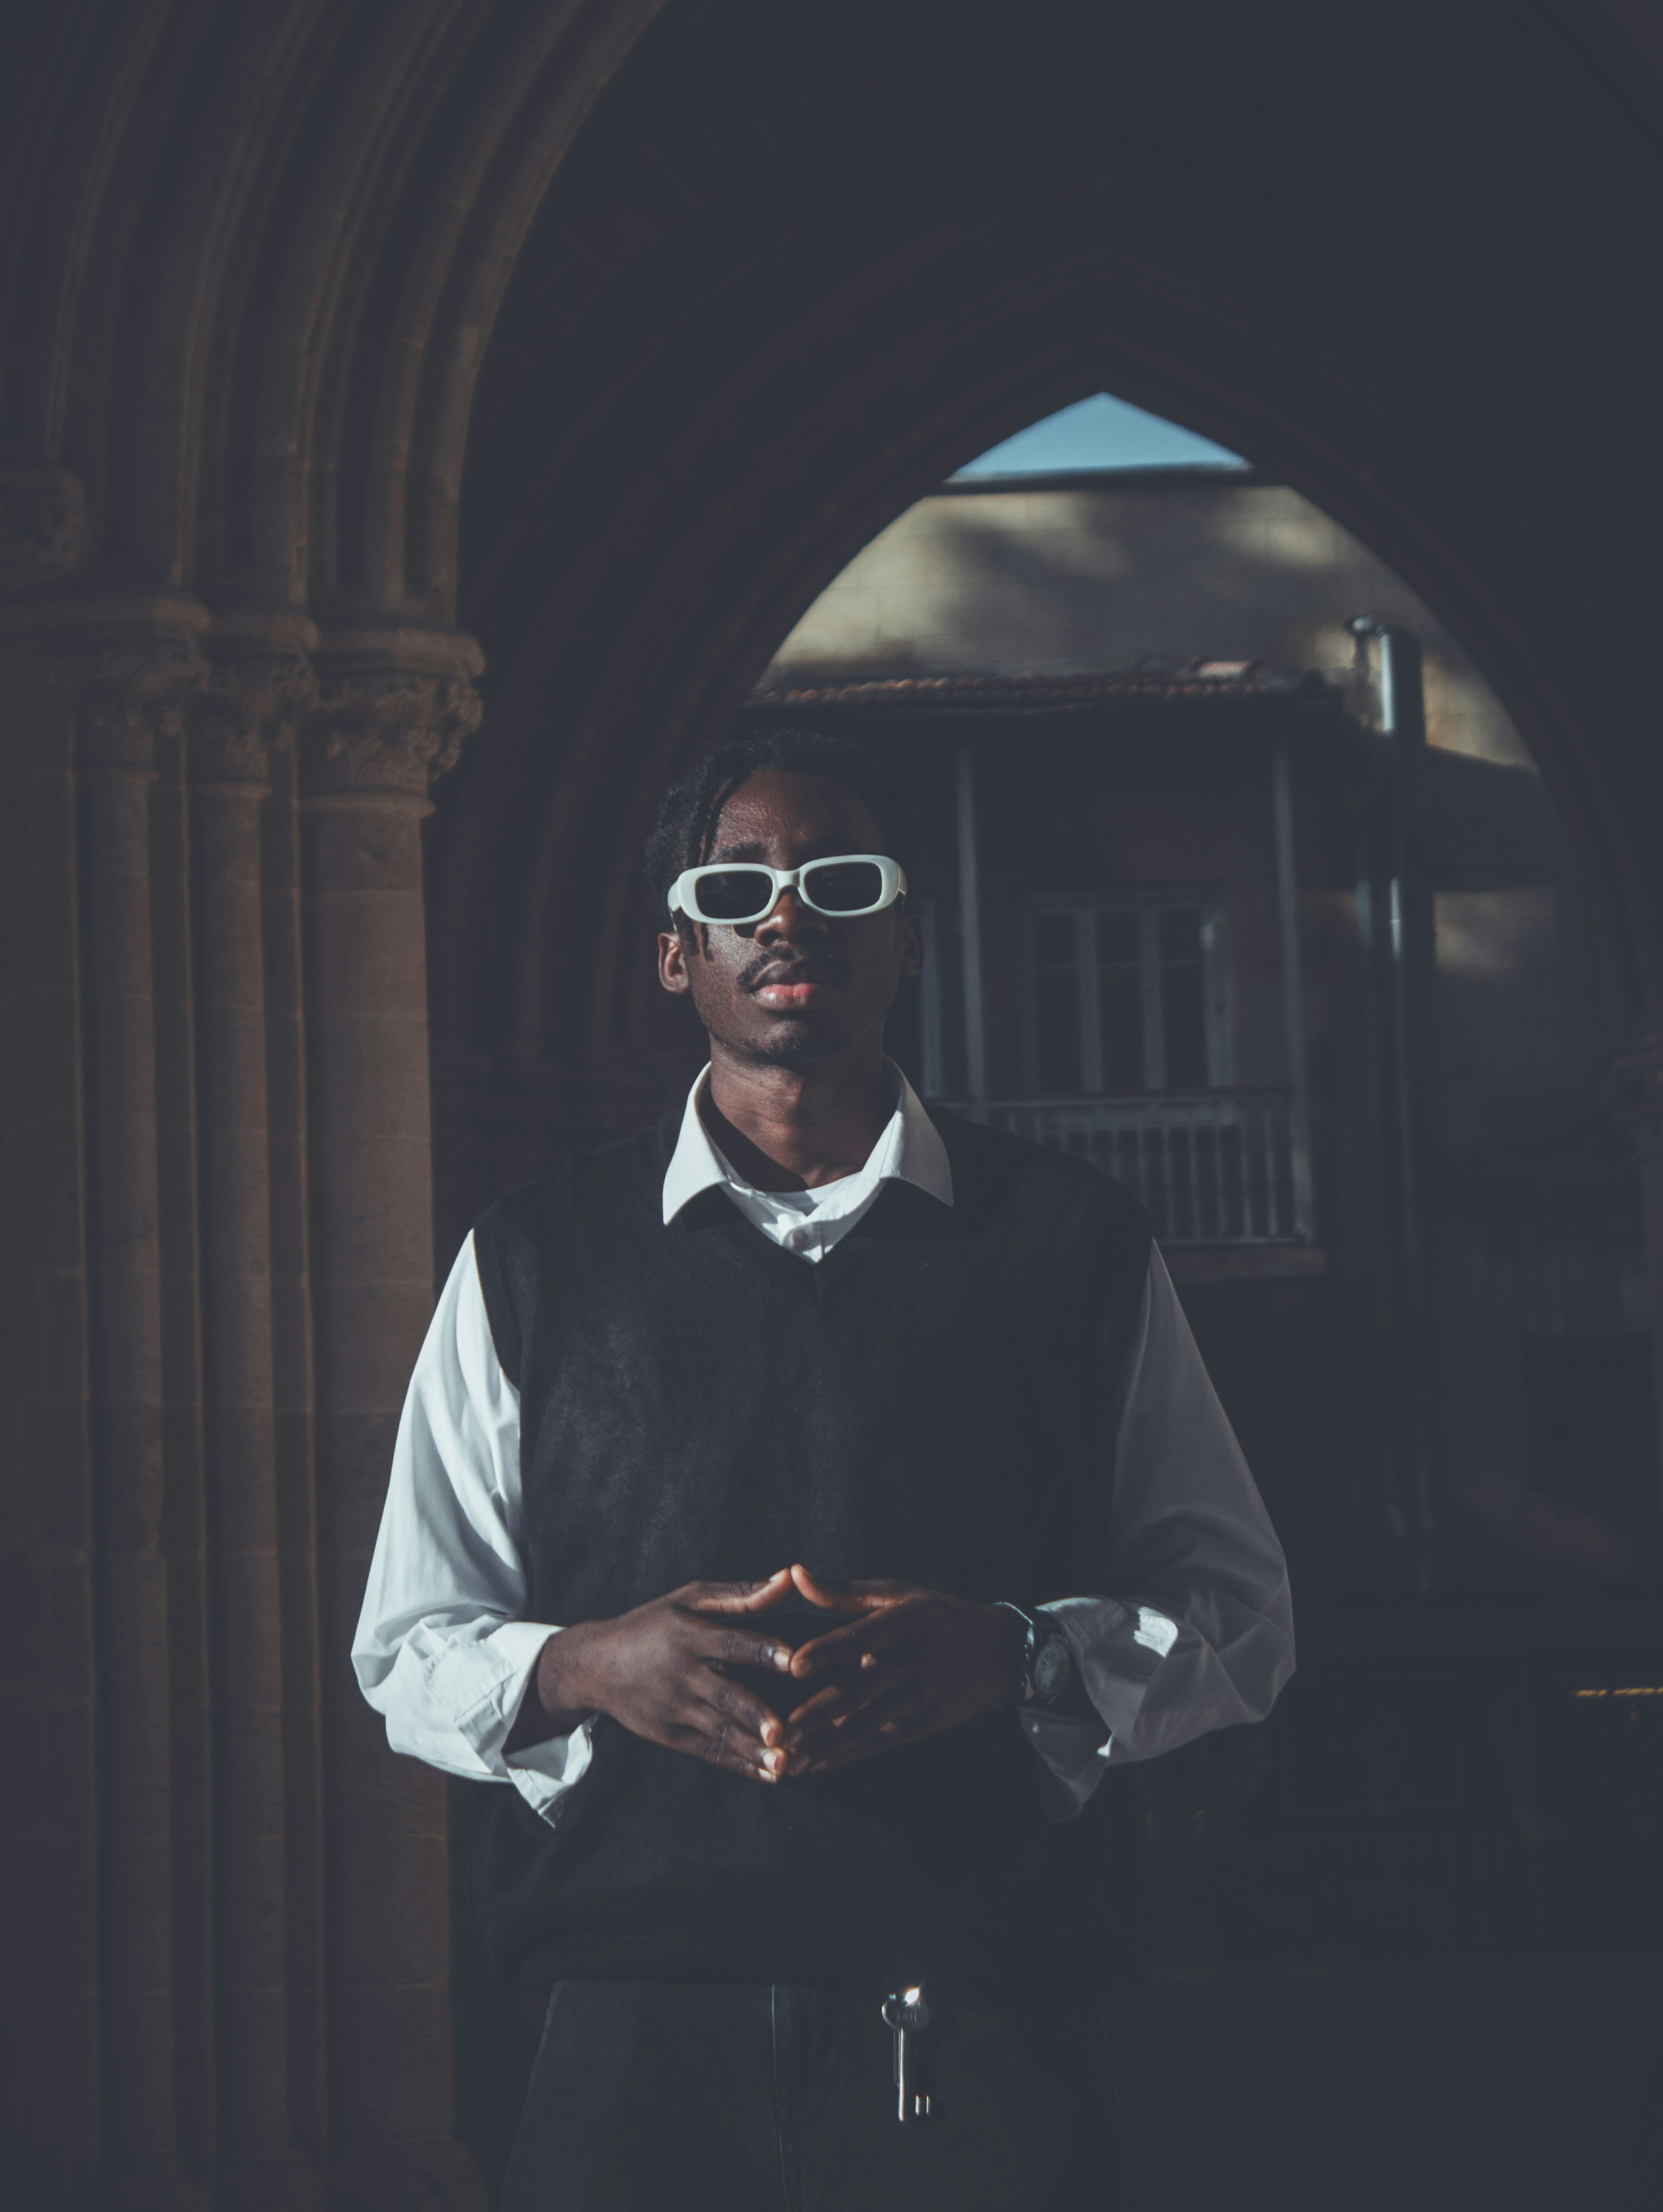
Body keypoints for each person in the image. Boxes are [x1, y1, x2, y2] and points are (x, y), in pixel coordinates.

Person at [354, 726, 1294, 2209]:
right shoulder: (537, 1259)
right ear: (680, 954)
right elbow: (409, 1649)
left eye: (841, 883)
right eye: (738, 888)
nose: (788, 917)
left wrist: (1017, 1653)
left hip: (981, 2018)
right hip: (630, 2029)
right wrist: (597, 1665)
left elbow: (1240, 1618)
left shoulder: (1069, 1243)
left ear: (907, 938)